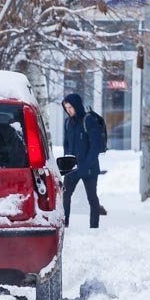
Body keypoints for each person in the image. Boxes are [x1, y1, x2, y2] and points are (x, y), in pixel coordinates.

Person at [61, 92, 102, 228]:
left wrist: (85, 165)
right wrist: (67, 160)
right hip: (72, 167)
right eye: (66, 108)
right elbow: (66, 144)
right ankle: (64, 224)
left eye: (71, 107)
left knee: (92, 198)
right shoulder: (68, 123)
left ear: (77, 106)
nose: (68, 110)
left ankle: (94, 227)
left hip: (89, 167)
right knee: (65, 196)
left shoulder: (88, 120)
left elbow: (95, 146)